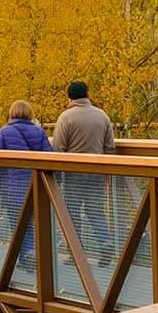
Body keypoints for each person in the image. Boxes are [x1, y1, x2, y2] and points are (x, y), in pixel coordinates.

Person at [52, 79, 118, 253]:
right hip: (96, 170)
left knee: (72, 213)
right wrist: (105, 169)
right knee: (95, 209)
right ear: (87, 94)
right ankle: (105, 242)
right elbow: (110, 146)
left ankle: (75, 251)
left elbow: (58, 147)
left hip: (73, 172)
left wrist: (58, 171)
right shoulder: (102, 115)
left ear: (69, 98)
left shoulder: (66, 117)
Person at [0, 99, 54, 264]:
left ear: (12, 113)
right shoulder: (40, 132)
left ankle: (27, 256)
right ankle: (31, 256)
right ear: (29, 114)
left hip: (12, 188)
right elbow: (50, 158)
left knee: (17, 223)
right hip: (36, 186)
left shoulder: (4, 132)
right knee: (35, 222)